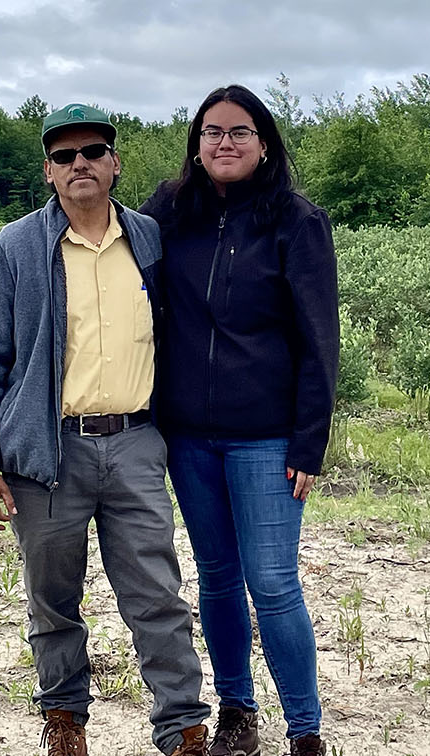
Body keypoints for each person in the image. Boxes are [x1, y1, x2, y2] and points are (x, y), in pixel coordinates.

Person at [0, 102, 211, 756]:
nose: (80, 165)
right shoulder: (15, 247)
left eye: (92, 152)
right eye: (65, 156)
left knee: (158, 596)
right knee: (52, 601)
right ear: (48, 170)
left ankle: (183, 727)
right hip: (47, 454)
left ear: (113, 163)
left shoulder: (150, 240)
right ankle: (64, 720)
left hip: (133, 445)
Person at [141, 85, 338, 756]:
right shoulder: (170, 211)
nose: (224, 142)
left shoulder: (295, 221)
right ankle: (236, 710)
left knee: (274, 583)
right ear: (195, 144)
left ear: (263, 144)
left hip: (267, 437)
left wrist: (309, 441)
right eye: (211, 131)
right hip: (189, 436)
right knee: (217, 576)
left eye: (239, 131)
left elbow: (319, 340)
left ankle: (305, 731)